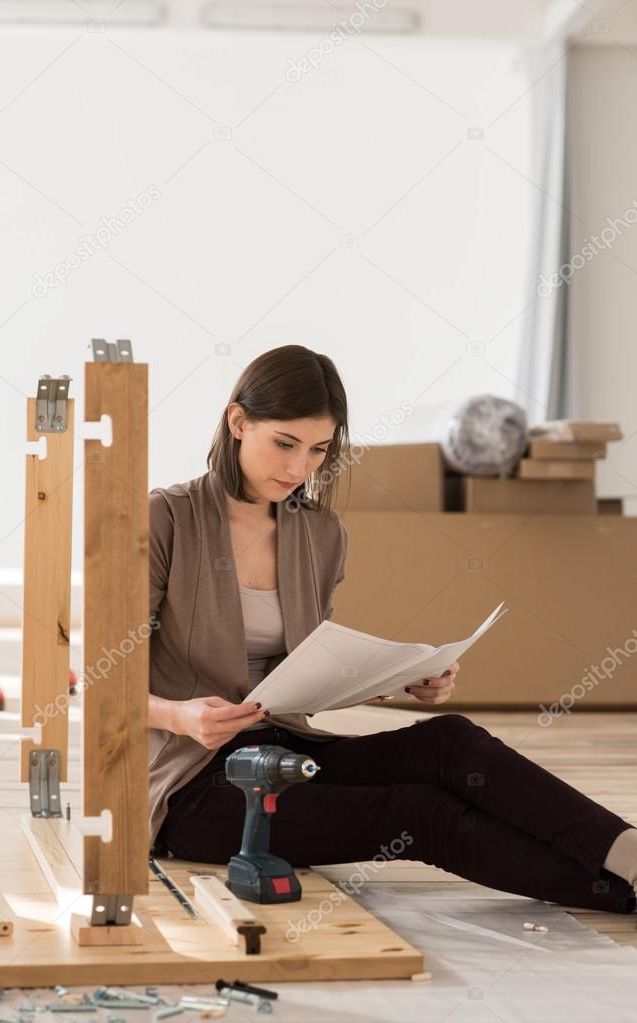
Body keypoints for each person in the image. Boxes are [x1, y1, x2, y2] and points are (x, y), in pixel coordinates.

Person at [148, 344, 637, 914]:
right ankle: (620, 896)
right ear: (238, 421)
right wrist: (179, 716)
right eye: (285, 444)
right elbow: (98, 678)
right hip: (196, 788)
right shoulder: (167, 518)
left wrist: (398, 678)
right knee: (418, 813)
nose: (298, 468)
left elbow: (307, 668)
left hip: (284, 750)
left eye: (318, 451)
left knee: (449, 740)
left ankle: (628, 856)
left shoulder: (320, 532)